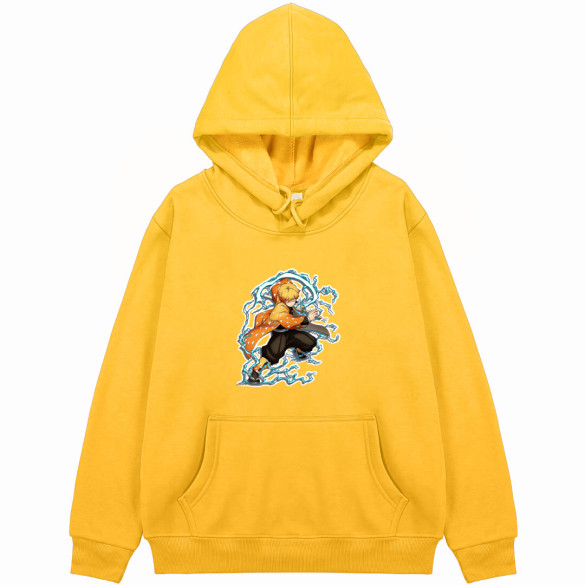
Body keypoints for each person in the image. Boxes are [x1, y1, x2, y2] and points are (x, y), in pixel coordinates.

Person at [243, 278, 320, 384]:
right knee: (271, 355)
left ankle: (299, 350)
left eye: (294, 300)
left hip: (290, 332)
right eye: (291, 300)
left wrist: (300, 309)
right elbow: (290, 322)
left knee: (309, 341)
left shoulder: (287, 303)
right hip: (279, 336)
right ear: (283, 299)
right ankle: (255, 372)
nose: (293, 302)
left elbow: (293, 311)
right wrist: (307, 319)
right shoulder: (279, 311)